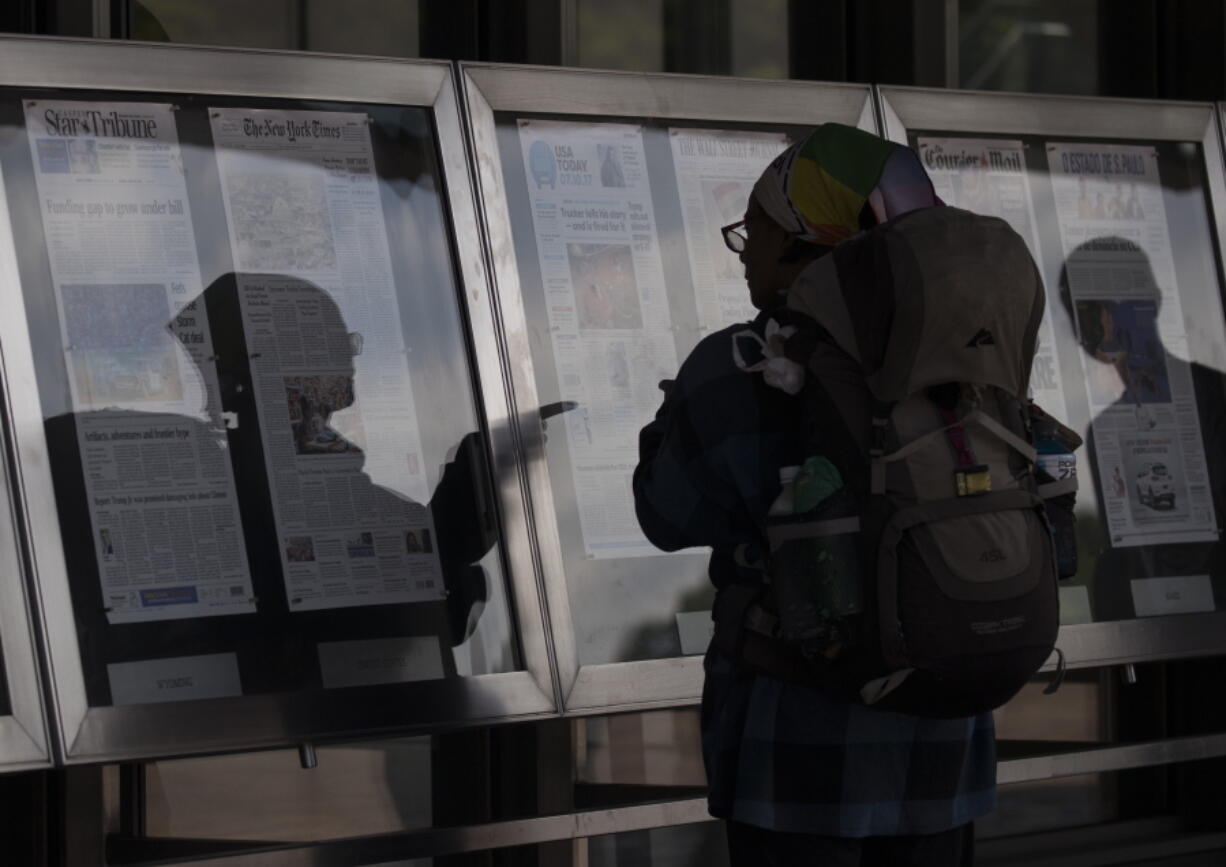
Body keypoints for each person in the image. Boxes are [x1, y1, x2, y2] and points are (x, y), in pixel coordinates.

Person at [634, 124, 994, 866]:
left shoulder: (735, 367)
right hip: (943, 742)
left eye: (755, 231)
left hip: (796, 748)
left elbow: (664, 515)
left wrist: (663, 423)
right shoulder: (964, 363)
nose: (745, 255)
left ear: (804, 240)